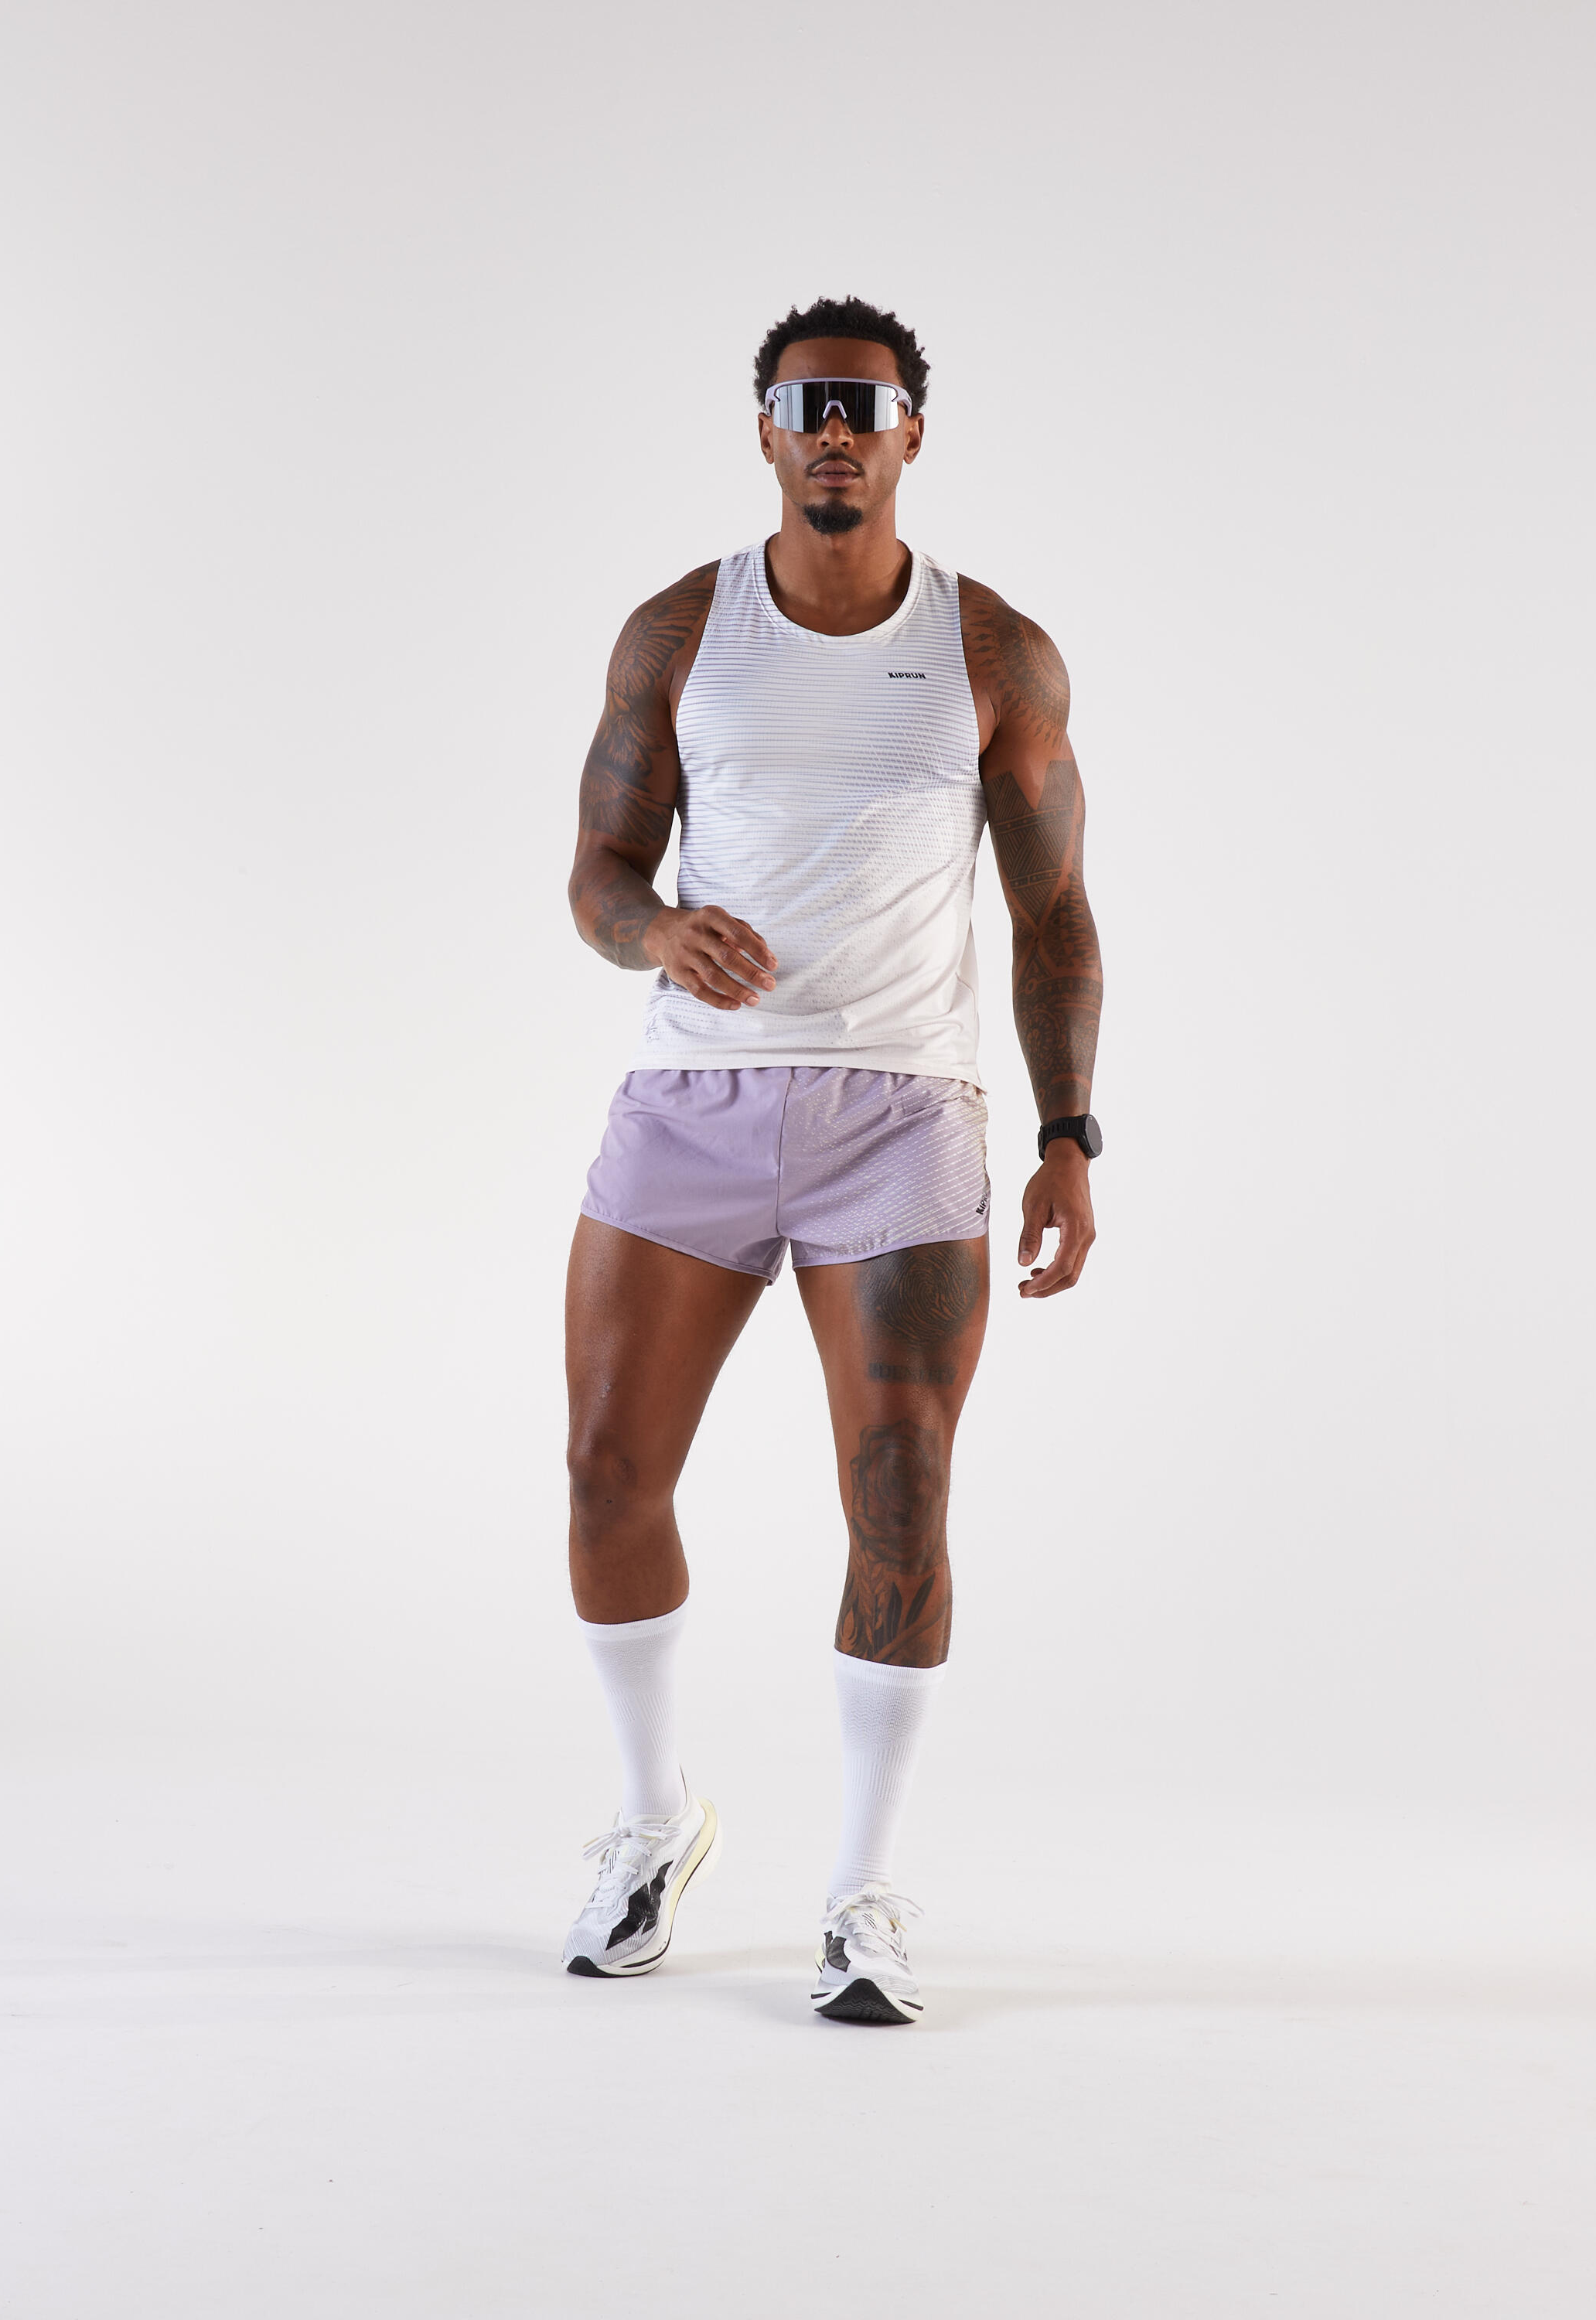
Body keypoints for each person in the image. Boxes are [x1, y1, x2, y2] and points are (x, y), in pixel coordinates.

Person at [559, 295, 1103, 2024]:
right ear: (767, 433)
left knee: (900, 1494)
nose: (837, 433)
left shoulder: (995, 652)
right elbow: (597, 873)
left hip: (902, 1115)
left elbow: (1054, 914)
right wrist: (657, 931)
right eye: (807, 407)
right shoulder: (679, 631)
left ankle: (865, 1893)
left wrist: (1071, 1135)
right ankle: (655, 1820)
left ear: (914, 433)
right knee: (607, 1474)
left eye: (866, 406)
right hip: (695, 1104)